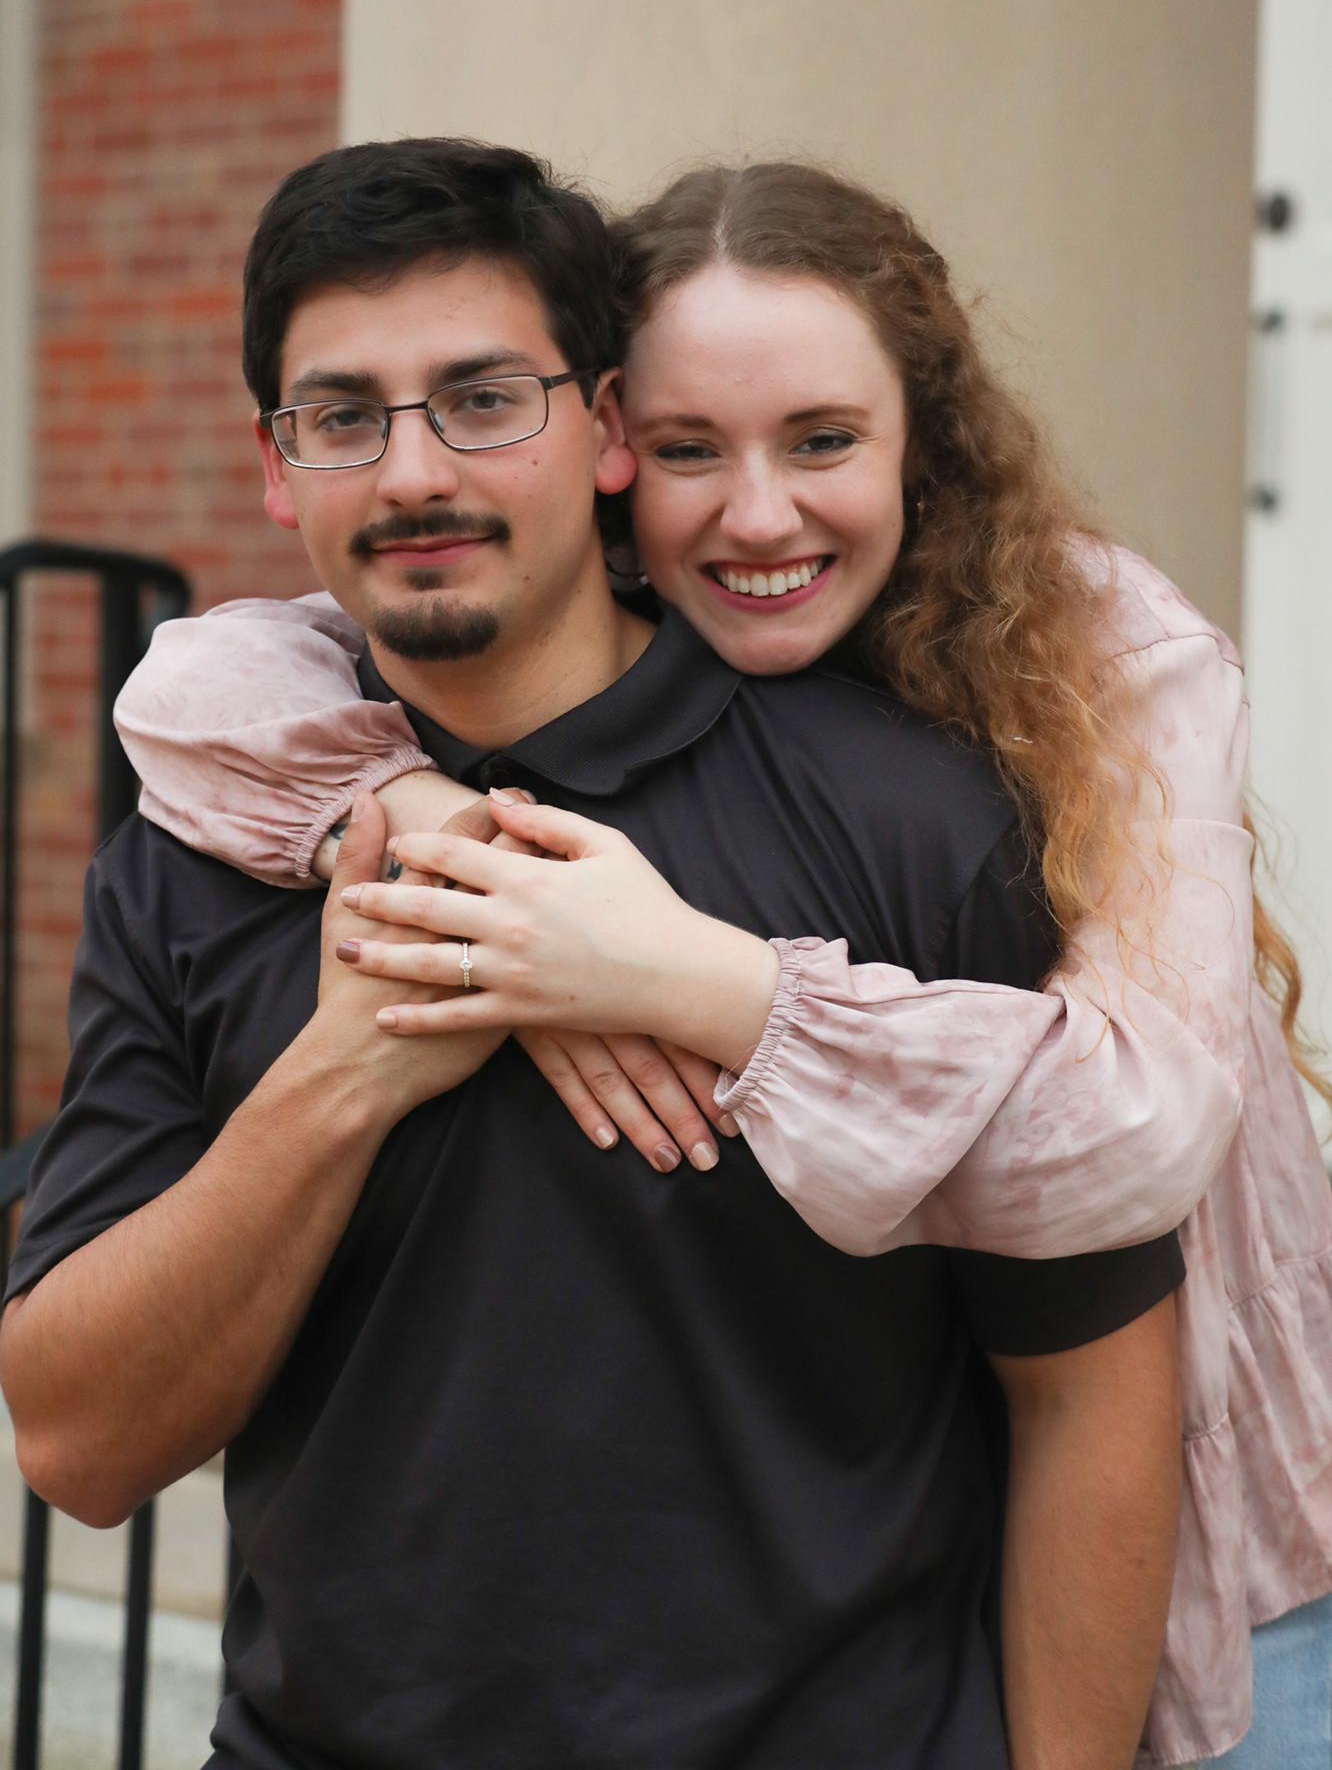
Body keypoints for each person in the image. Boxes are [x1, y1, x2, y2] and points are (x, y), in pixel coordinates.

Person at [113, 156, 1332, 1770]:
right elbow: (186, 682)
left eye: (822, 439)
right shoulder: (396, 708)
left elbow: (1134, 1143)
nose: (757, 512)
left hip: (1247, 1525)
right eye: (694, 448)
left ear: (924, 444)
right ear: (619, 445)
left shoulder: (1101, 672)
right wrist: (425, 824)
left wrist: (687, 980)